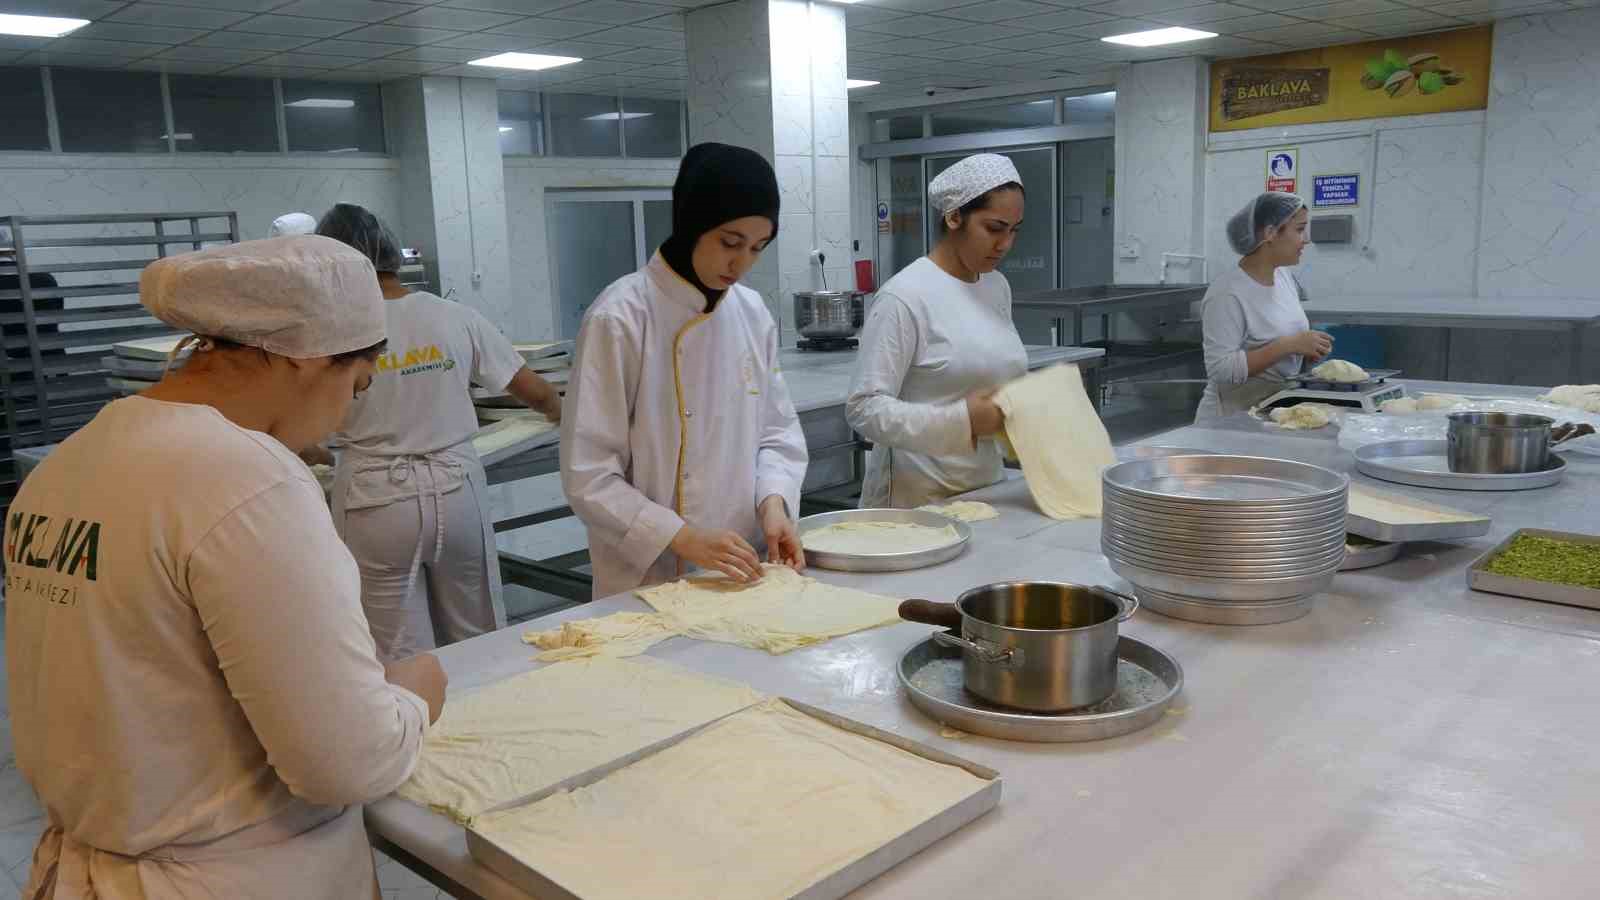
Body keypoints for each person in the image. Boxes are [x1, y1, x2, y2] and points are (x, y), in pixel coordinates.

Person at [4, 235, 445, 900]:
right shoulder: (250, 479)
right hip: (232, 878)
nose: (334, 424)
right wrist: (415, 697)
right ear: (310, 359)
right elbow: (345, 763)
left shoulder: (71, 461)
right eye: (355, 386)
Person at [561, 142, 808, 600]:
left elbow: (776, 434)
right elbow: (589, 475)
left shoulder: (751, 313)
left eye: (758, 248)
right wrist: (682, 536)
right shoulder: (620, 317)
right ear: (692, 223)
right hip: (648, 577)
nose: (742, 264)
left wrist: (774, 503)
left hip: (743, 568)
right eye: (729, 242)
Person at [316, 203, 562, 660]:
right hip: (456, 491)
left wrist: (316, 453)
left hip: (374, 500)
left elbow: (303, 426)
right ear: (394, 256)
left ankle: (422, 730)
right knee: (477, 636)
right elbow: (538, 393)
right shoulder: (453, 315)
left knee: (396, 648)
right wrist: (562, 417)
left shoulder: (332, 331)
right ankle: (494, 721)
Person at [847, 153, 1029, 509]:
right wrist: (960, 420)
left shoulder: (996, 287)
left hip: (985, 490)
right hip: (916, 501)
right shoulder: (904, 297)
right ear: (955, 216)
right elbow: (863, 409)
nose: (1005, 244)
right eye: (994, 228)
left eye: (1014, 230)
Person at [1196, 191, 1331, 423]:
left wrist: (1305, 352)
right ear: (1270, 233)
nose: (1306, 239)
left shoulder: (1284, 277)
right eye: (1299, 230)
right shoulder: (1228, 293)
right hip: (1229, 421)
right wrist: (1289, 345)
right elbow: (1221, 370)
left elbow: (1280, 340)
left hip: (1273, 410)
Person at [0, 223, 63, 372]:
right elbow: (56, 319)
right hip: (53, 364)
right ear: (11, 252)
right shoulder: (46, 278)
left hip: (12, 372)